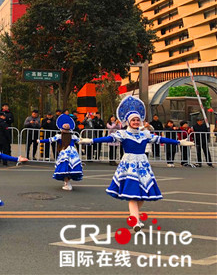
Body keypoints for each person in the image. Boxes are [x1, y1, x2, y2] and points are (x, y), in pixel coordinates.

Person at [79, 96, 194, 232]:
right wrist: (91, 141)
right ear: (128, 121)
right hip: (129, 165)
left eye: (137, 120)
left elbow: (160, 138)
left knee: (143, 194)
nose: (135, 122)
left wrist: (179, 142)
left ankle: (133, 215)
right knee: (133, 194)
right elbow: (108, 138)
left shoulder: (145, 134)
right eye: (133, 120)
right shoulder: (123, 133)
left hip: (143, 165)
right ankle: (136, 220)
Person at [38, 114, 82, 191]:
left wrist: (40, 141)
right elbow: (81, 141)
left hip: (64, 153)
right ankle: (67, 182)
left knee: (64, 168)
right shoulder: (73, 136)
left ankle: (67, 183)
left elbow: (49, 140)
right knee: (71, 168)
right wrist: (91, 141)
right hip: (73, 154)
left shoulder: (59, 136)